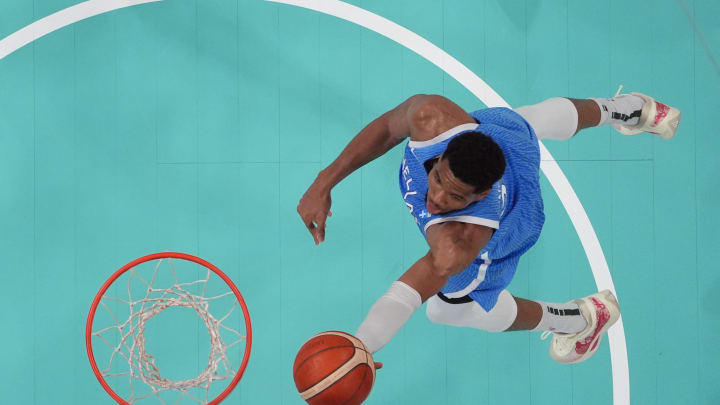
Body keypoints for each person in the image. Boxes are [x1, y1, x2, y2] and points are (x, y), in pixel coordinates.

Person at [296, 89, 680, 364]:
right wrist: (323, 181)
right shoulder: (434, 117)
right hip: (504, 141)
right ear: (445, 151)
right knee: (531, 118)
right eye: (439, 179)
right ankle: (629, 109)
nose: (437, 199)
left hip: (512, 220)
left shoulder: (459, 242)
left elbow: (407, 293)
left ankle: (583, 318)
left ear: (478, 196)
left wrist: (361, 345)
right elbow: (386, 129)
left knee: (446, 311)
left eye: (455, 197)